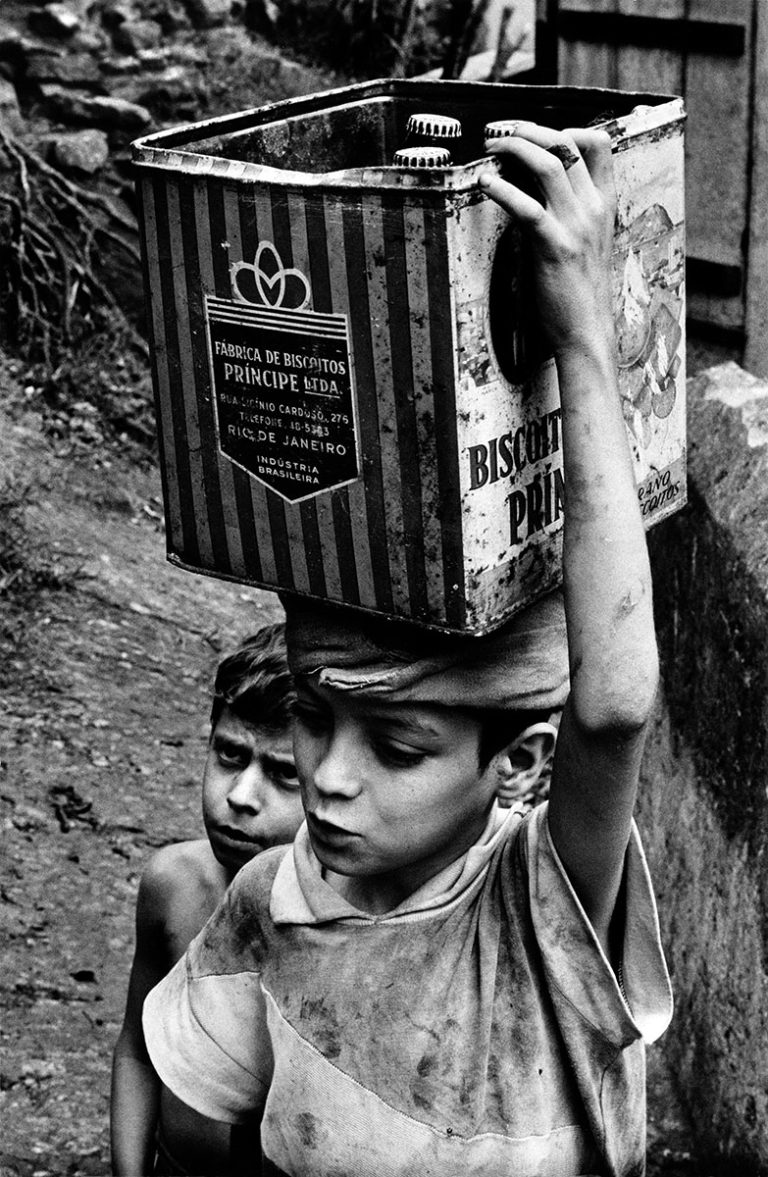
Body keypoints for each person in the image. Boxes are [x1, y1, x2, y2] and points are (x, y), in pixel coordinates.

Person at [140, 123, 673, 1176]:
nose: (325, 778)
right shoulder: (266, 907)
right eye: (314, 714)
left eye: (396, 746)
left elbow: (609, 709)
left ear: (518, 763)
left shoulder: (530, 911)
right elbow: (197, 1134)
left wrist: (584, 333)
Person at [110, 622, 302, 1176]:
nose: (240, 796)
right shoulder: (175, 884)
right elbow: (138, 1050)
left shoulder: (357, 922)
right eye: (229, 754)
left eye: (284, 773)